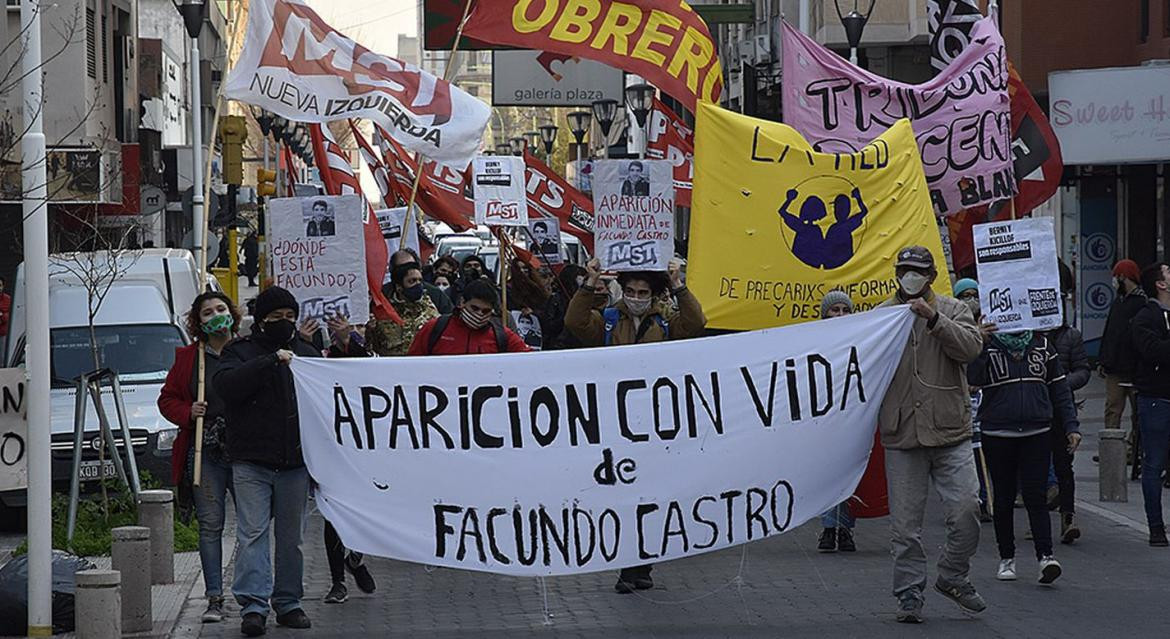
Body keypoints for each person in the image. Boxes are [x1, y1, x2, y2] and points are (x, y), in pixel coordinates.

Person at [565, 256, 706, 594]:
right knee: (624, 493)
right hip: (616, 420)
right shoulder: (609, 320)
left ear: (653, 294)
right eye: (630, 290)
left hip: (656, 422)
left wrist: (678, 284)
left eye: (643, 291)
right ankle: (629, 567)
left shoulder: (669, 323)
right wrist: (590, 282)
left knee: (651, 495)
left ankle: (641, 564)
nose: (636, 296)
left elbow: (698, 322)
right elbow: (574, 321)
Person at [878, 246, 985, 624]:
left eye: (917, 271)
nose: (910, 277)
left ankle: (953, 575)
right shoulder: (881, 317)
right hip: (903, 432)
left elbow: (972, 348)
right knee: (905, 526)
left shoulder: (953, 309)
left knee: (967, 508)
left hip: (950, 429)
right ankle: (909, 592)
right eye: (904, 270)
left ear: (931, 276)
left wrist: (934, 319)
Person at [213, 286, 320, 636]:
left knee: (292, 539)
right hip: (252, 462)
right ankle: (254, 606)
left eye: (290, 317)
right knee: (253, 534)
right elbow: (226, 386)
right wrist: (270, 361)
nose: (284, 324)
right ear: (261, 322)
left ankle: (288, 602)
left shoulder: (306, 352)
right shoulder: (239, 352)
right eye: (276, 318)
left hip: (294, 463)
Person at [968, 327, 1080, 585]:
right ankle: (1006, 558)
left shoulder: (1042, 345)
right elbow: (972, 378)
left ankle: (1046, 557)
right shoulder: (989, 345)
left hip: (1037, 430)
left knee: (1035, 496)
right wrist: (981, 345)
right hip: (998, 432)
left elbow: (1060, 389)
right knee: (1004, 499)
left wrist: (1071, 426)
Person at [157, 292, 242, 623]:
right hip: (204, 453)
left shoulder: (244, 351)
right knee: (210, 525)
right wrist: (188, 412)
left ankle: (254, 594)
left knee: (253, 525)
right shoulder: (189, 359)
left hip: (245, 452)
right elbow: (167, 400)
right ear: (199, 322)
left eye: (221, 309)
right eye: (208, 312)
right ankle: (215, 597)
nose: (216, 315)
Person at [295, 314, 378, 604]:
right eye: (341, 325)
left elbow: (368, 371)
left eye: (356, 326)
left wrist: (349, 339)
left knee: (367, 511)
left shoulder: (365, 350)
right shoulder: (316, 354)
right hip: (329, 446)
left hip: (366, 449)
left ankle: (355, 558)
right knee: (334, 513)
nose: (346, 329)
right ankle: (337, 581)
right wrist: (304, 343)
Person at [1129, 262, 1170, 547]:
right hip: (1156, 399)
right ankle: (1156, 527)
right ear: (1160, 284)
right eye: (1169, 273)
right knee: (1153, 463)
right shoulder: (1145, 317)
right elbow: (1153, 352)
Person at [815, 291, 859, 553]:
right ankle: (829, 528)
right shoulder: (815, 342)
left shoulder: (860, 340)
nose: (840, 315)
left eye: (845, 310)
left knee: (848, 473)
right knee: (828, 474)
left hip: (852, 416)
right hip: (824, 419)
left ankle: (844, 529)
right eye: (835, 310)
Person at [1046, 296, 1091, 544]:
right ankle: (1038, 518)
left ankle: (1068, 517)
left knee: (1064, 465)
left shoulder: (1071, 336)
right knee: (1036, 465)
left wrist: (1063, 383)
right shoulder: (1031, 334)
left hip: (1062, 408)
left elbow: (1083, 370)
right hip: (1036, 409)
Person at [952, 278, 994, 524]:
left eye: (973, 294)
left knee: (982, 453)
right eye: (964, 295)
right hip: (959, 395)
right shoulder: (953, 323)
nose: (970, 300)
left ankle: (986, 499)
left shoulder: (991, 325)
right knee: (964, 454)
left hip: (983, 396)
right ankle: (968, 500)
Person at [407, 279, 529, 355]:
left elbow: (529, 360)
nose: (479, 314)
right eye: (474, 308)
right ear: (462, 302)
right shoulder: (435, 329)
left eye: (485, 311)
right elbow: (411, 365)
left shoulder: (502, 336)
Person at [1099, 259, 1146, 454]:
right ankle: (1110, 450)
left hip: (1135, 369)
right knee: (1112, 408)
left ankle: (1133, 449)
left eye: (1116, 276)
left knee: (1139, 413)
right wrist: (1104, 359)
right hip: (1114, 368)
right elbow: (1110, 332)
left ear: (1123, 277)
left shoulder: (1142, 303)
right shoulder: (1118, 302)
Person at [369, 262, 440, 356]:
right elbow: (370, 347)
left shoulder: (430, 309)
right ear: (399, 287)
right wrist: (370, 330)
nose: (418, 285)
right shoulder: (384, 313)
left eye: (420, 280)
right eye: (412, 281)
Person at [384, 249, 453, 315]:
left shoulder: (436, 295)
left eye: (413, 266)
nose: (410, 270)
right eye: (402, 269)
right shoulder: (383, 295)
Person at [0, 276, 10, 340]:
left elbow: (11, 316)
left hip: (3, 335)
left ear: (3, 286)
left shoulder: (8, 300)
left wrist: (2, 316)